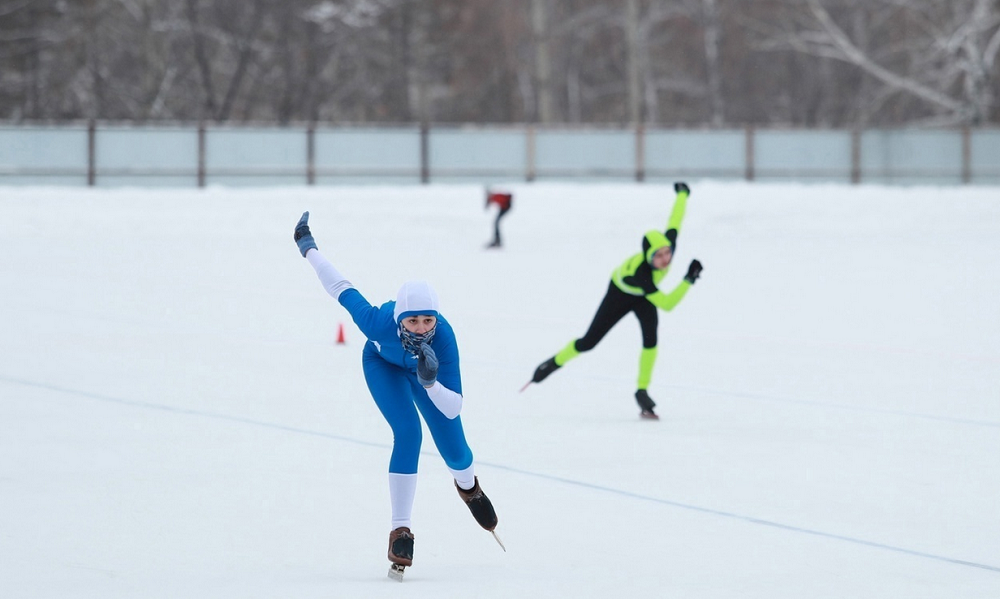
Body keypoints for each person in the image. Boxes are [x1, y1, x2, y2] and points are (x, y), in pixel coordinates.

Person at [293, 212, 500, 579]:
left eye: (428, 320)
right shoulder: (377, 322)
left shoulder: (444, 339)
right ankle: (400, 530)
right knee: (408, 434)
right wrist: (308, 247)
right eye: (412, 321)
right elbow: (339, 286)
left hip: (426, 377)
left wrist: (431, 382)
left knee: (456, 453)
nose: (421, 328)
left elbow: (454, 408)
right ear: (400, 318)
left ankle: (469, 489)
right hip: (383, 366)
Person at [523, 182, 703, 420]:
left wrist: (682, 194)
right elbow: (667, 304)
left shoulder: (667, 246)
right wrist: (689, 279)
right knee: (589, 342)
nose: (665, 259)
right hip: (620, 293)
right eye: (658, 256)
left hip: (644, 297)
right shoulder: (642, 274)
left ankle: (642, 391)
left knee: (651, 340)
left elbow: (675, 220)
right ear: (648, 257)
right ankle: (553, 363)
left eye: (667, 252)